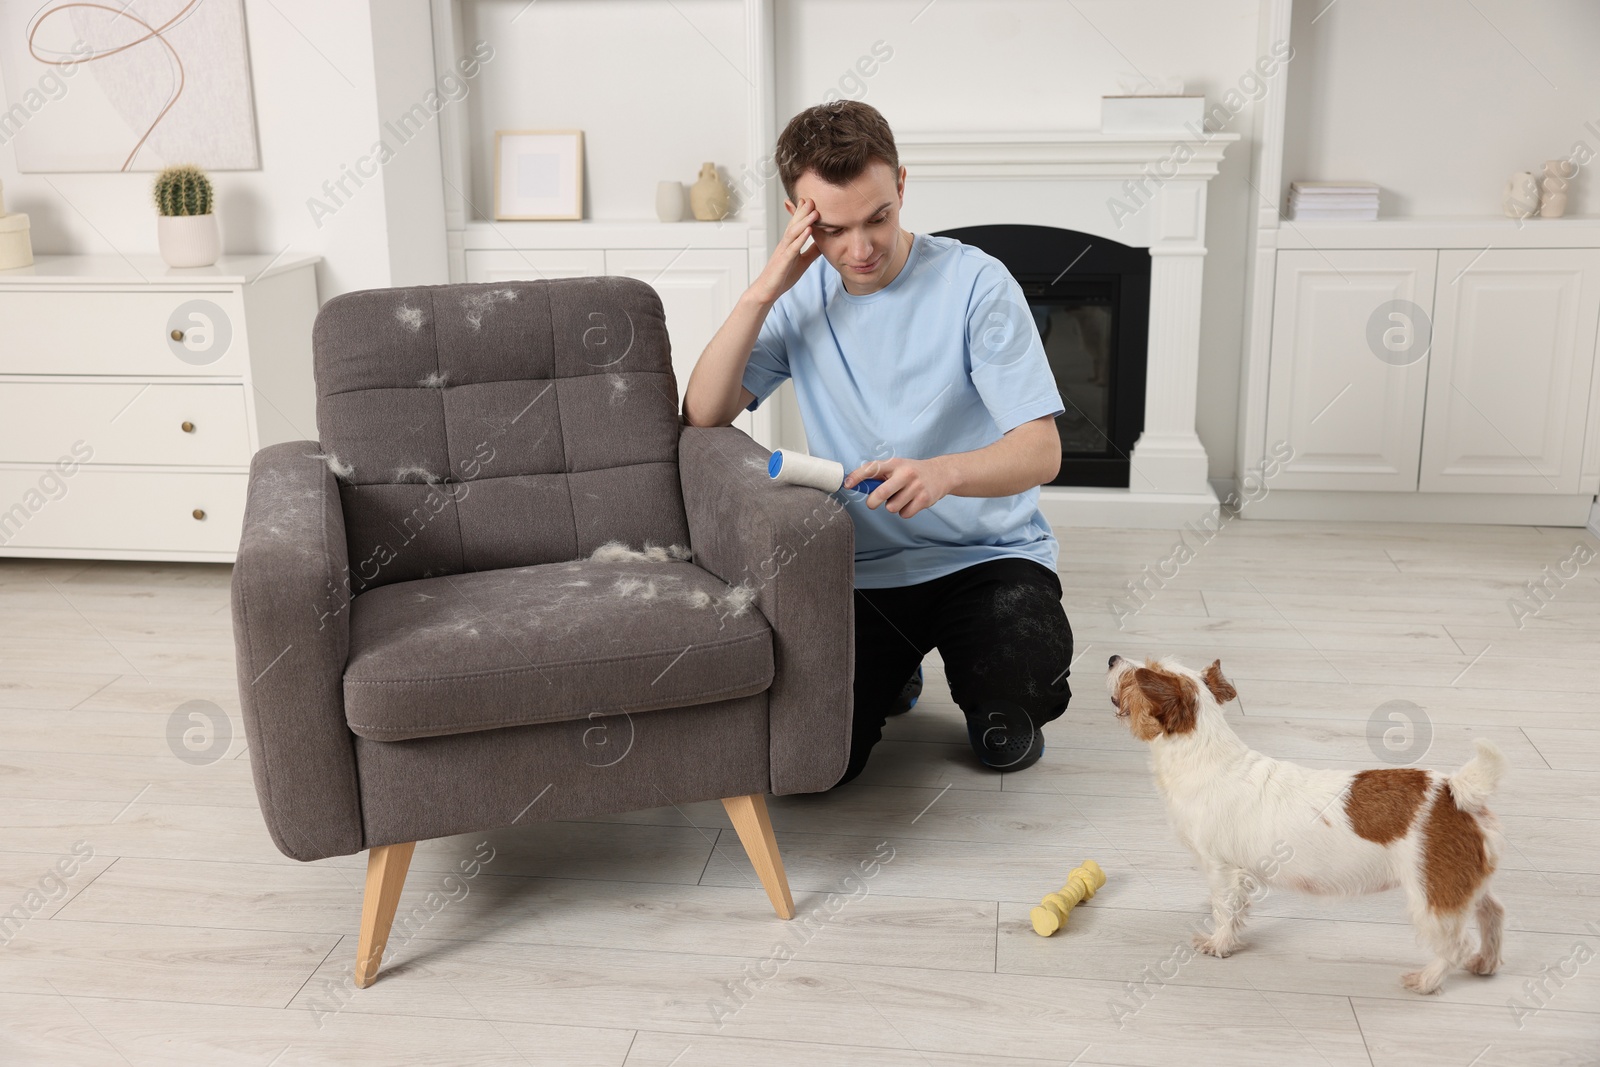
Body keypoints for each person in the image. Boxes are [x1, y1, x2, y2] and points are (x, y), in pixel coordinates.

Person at [682, 100, 1074, 784]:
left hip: (986, 558)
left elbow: (1041, 451)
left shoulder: (976, 283)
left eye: (877, 218)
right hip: (862, 571)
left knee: (1007, 729)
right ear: (798, 217)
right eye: (833, 229)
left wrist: (945, 473)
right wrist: (764, 291)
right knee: (822, 768)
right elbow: (705, 412)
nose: (859, 249)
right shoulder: (800, 299)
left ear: (901, 186)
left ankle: (985, 686)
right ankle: (897, 675)